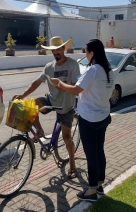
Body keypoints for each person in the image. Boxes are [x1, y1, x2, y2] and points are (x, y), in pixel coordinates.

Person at [50, 39, 114, 202]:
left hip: (90, 119)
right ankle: (99, 185)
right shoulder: (108, 71)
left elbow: (75, 90)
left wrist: (60, 84)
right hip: (103, 116)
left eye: (86, 51)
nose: (84, 54)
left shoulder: (92, 71)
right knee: (99, 152)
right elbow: (111, 94)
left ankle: (91, 191)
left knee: (91, 154)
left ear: (92, 53)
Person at [12, 36, 80, 179]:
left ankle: (73, 165)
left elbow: (75, 87)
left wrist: (62, 85)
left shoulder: (73, 65)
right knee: (32, 106)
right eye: (53, 50)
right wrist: (23, 95)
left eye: (58, 49)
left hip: (66, 105)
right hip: (52, 99)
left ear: (63, 49)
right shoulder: (49, 67)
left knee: (67, 138)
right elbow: (37, 82)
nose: (56, 52)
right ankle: (40, 131)